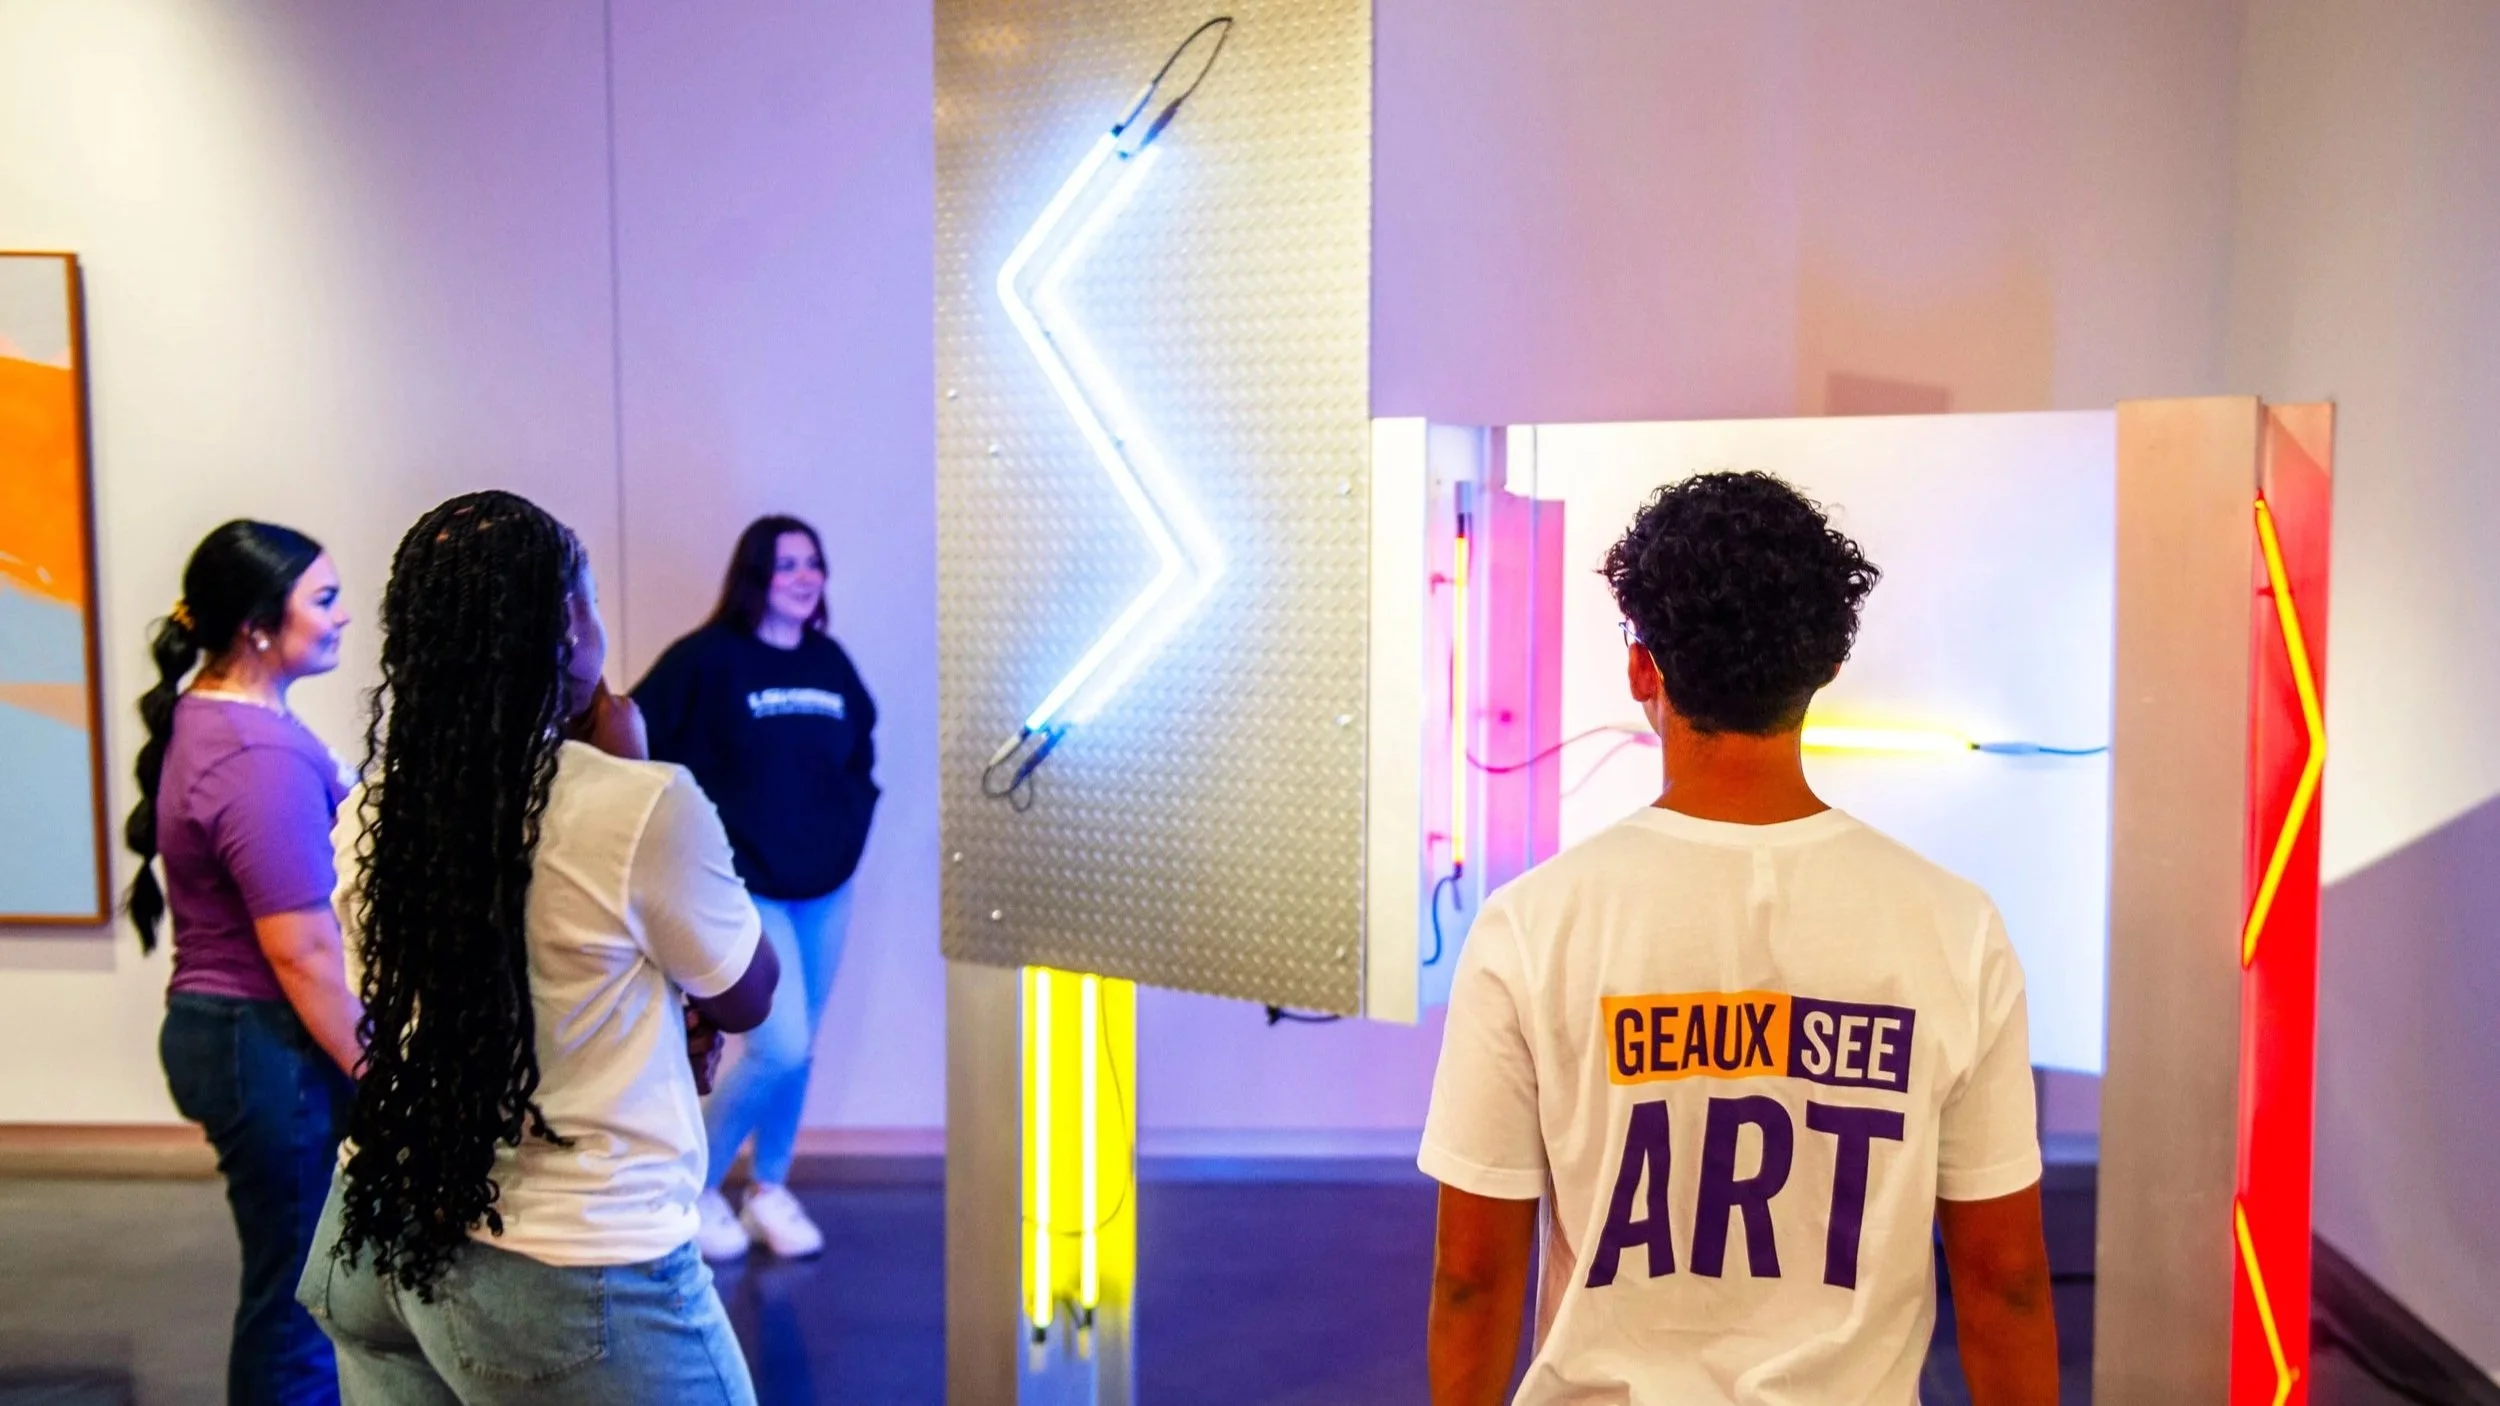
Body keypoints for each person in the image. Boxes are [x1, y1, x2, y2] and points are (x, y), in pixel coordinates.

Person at [1419, 472, 2058, 1406]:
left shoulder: (1532, 925)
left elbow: (1472, 1279)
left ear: (1644, 669)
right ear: (1826, 665)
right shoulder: (1955, 928)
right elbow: (2007, 1281)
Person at [296, 490, 779, 1405]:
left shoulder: (376, 808)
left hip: (375, 1231)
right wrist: (628, 768)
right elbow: (748, 993)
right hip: (570, 1273)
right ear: (567, 626)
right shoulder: (639, 804)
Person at [126, 519, 361, 1406]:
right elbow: (301, 951)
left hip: (241, 1034)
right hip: (263, 1040)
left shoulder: (220, 716)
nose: (343, 616)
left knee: (297, 1288)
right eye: (324, 600)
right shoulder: (256, 752)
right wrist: (381, 1073)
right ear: (260, 624)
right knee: (298, 1305)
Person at [632, 514, 879, 1261]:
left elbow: (859, 756)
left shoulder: (830, 662)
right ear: (756, 576)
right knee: (779, 1044)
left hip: (825, 887)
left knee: (801, 1051)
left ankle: (769, 1189)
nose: (806, 578)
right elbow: (631, 736)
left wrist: (852, 823)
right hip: (746, 886)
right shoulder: (708, 660)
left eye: (814, 563)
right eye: (788, 564)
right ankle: (692, 1188)